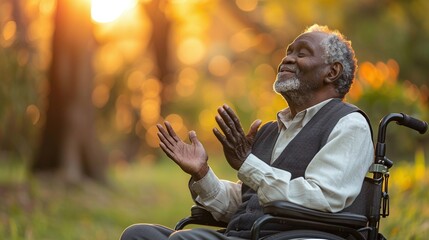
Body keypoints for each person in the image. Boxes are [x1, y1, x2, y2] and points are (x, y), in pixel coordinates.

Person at [120, 24, 374, 240]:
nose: (287, 59)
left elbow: (322, 198)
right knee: (139, 235)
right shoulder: (271, 131)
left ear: (332, 72)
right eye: (288, 52)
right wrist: (202, 172)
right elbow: (247, 203)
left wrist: (248, 163)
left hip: (297, 237)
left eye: (302, 53)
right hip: (251, 233)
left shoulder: (349, 125)